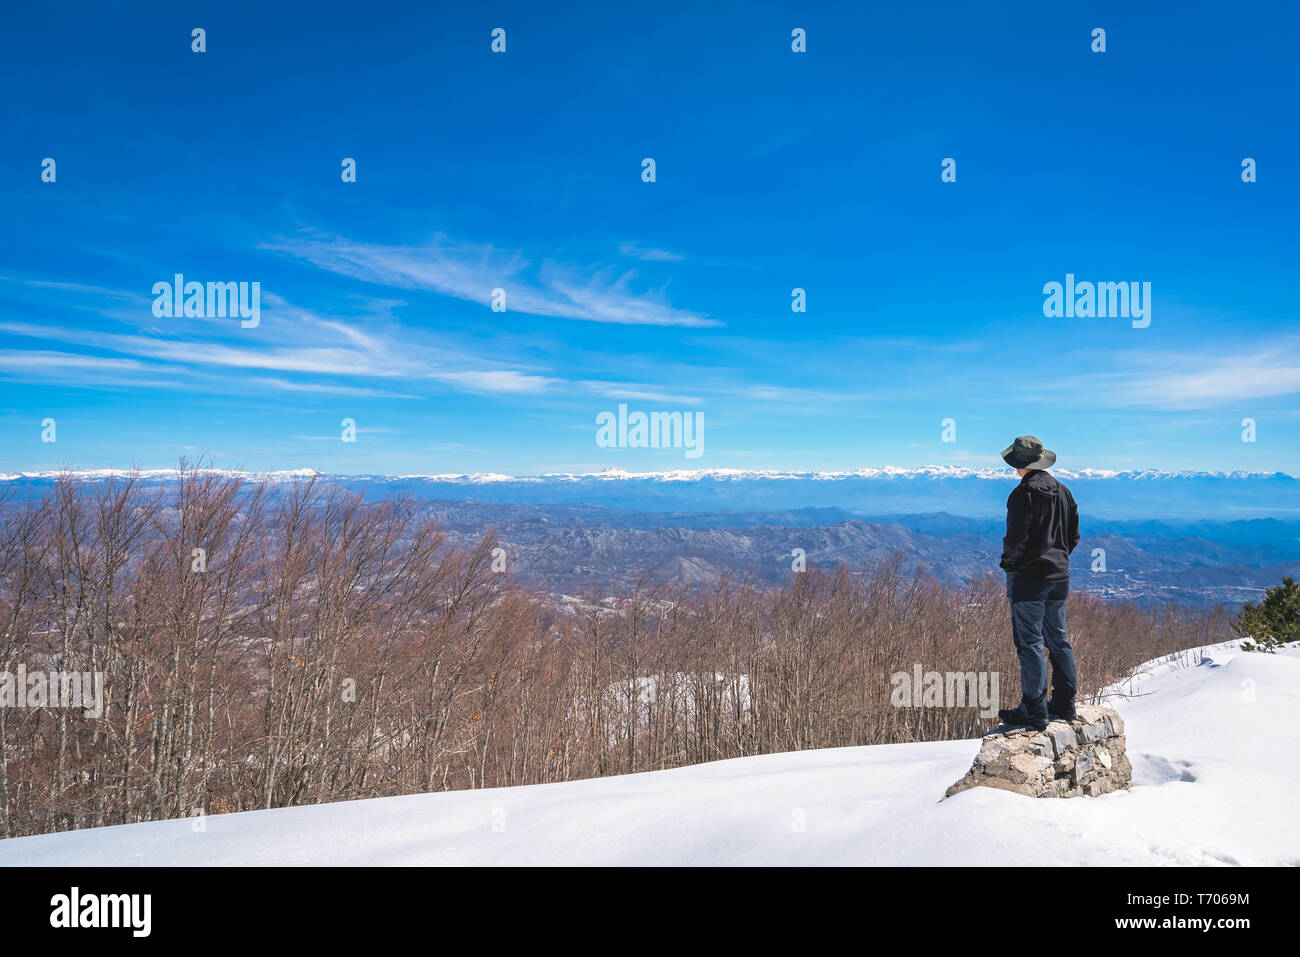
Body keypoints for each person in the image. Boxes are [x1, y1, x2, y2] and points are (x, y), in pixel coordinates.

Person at [996, 435, 1080, 731]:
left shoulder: (1022, 495)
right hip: (1060, 577)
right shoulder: (1064, 491)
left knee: (1029, 643)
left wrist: (1010, 564)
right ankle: (1065, 702)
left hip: (1029, 580)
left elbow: (1016, 539)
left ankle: (1034, 709)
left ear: (1020, 464)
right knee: (1058, 638)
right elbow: (1073, 536)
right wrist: (1057, 558)